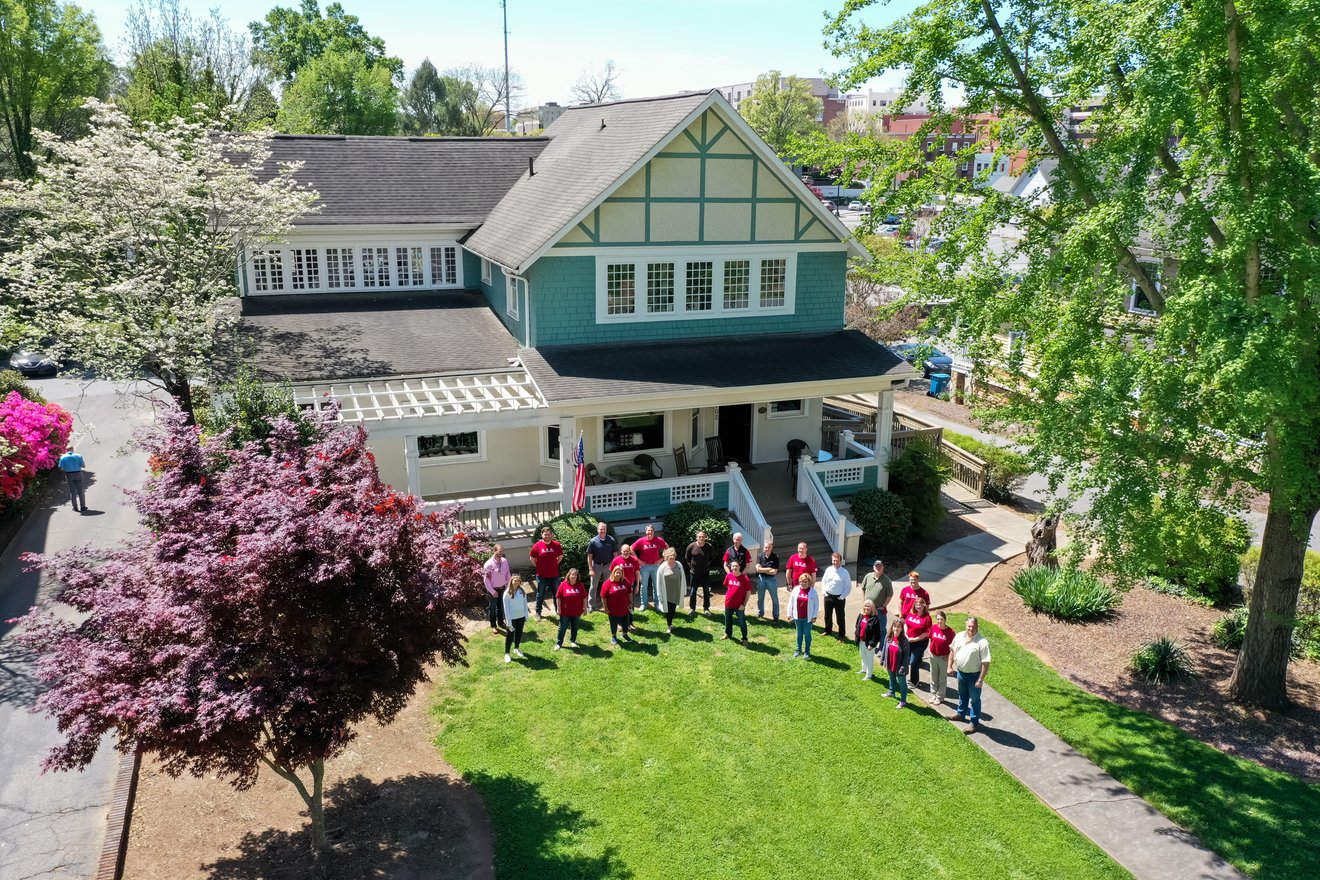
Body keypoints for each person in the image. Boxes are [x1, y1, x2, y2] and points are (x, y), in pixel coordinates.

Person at [951, 616, 992, 733]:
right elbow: (952, 650)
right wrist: (950, 666)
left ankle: (974, 723)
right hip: (961, 673)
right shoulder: (959, 636)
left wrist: (980, 679)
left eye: (973, 627)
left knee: (974, 700)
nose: (971, 629)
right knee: (962, 695)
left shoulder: (982, 642)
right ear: (966, 626)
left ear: (977, 627)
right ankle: (961, 714)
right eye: (969, 626)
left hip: (974, 676)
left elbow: (985, 662)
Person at [529, 527, 563, 621]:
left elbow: (560, 557)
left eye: (549, 534)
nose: (547, 536)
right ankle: (538, 612)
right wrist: (539, 567)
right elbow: (532, 559)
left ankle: (558, 611)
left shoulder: (556, 545)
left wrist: (555, 564)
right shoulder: (537, 546)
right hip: (541, 575)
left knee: (556, 593)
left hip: (554, 575)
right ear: (542, 535)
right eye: (545, 534)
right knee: (540, 594)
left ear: (551, 535)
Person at [632, 524, 669, 612]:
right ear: (646, 532)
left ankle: (657, 604)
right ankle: (643, 604)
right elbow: (631, 549)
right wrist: (638, 561)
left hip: (656, 567)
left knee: (656, 586)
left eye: (651, 531)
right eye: (648, 531)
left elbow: (667, 547)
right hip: (644, 567)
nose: (650, 532)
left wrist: (662, 559)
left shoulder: (658, 540)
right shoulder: (641, 541)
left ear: (653, 532)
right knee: (644, 586)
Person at [586, 521, 618, 613]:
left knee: (607, 586)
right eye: (600, 529)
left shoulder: (611, 540)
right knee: (593, 587)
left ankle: (606, 605)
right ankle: (591, 606)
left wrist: (614, 567)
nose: (602, 531)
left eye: (604, 529)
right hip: (596, 565)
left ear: (606, 530)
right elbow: (589, 556)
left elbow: (615, 554)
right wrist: (590, 569)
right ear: (597, 530)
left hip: (608, 566)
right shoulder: (593, 541)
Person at [819, 552, 852, 639]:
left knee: (840, 617)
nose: (835, 562)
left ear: (840, 561)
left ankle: (841, 635)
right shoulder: (828, 569)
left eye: (837, 561)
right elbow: (824, 581)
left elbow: (848, 586)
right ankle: (827, 631)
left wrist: (842, 597)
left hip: (839, 598)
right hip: (828, 596)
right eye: (833, 560)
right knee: (827, 615)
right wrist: (824, 592)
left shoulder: (845, 572)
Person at [786, 573, 819, 658]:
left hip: (808, 618)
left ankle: (807, 651)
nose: (803, 583)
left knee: (807, 634)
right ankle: (798, 649)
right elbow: (791, 602)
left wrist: (814, 616)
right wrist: (789, 613)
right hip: (798, 617)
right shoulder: (795, 589)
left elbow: (816, 605)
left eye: (805, 582)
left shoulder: (813, 592)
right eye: (801, 581)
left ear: (809, 582)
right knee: (799, 633)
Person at [904, 597, 933, 691]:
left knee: (914, 662)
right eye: (916, 605)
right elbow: (906, 624)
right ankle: (903, 676)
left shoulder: (927, 618)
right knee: (906, 659)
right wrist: (905, 634)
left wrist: (915, 639)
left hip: (920, 643)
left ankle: (914, 681)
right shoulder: (912, 613)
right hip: (909, 641)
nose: (918, 607)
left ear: (924, 605)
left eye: (920, 605)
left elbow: (926, 632)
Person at [685, 529, 718, 613]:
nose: (701, 538)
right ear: (696, 538)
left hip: (705, 574)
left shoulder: (709, 547)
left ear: (705, 538)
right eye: (699, 537)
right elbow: (687, 558)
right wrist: (691, 566)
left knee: (706, 592)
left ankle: (706, 608)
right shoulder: (691, 546)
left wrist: (706, 565)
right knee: (692, 592)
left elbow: (712, 557)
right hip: (694, 574)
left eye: (703, 537)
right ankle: (692, 608)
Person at [554, 568, 588, 650]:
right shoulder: (563, 584)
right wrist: (558, 608)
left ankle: (573, 641)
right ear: (569, 575)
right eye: (572, 574)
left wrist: (585, 608)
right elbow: (558, 597)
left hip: (577, 611)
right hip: (565, 612)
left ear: (577, 576)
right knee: (562, 627)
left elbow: (584, 597)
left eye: (575, 575)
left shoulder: (580, 585)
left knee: (575, 627)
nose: (573, 576)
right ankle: (559, 643)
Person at [927, 610, 955, 705]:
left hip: (943, 658)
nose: (939, 621)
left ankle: (940, 696)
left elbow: (952, 647)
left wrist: (948, 657)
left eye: (941, 619)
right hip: (933, 656)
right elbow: (931, 639)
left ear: (945, 619)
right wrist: (929, 650)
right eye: (938, 619)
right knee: (933, 676)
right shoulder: (934, 627)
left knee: (942, 678)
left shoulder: (950, 632)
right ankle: (933, 694)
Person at [656, 547, 687, 633]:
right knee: (669, 610)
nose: (672, 557)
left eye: (673, 555)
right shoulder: (662, 568)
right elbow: (658, 583)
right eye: (670, 555)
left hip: (676, 591)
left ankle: (670, 623)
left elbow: (683, 578)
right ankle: (669, 626)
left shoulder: (679, 565)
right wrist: (660, 595)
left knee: (673, 609)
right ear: (666, 556)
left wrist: (683, 590)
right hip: (667, 593)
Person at [602, 566, 635, 645]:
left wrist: (630, 602)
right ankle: (613, 636)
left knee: (625, 622)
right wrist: (605, 608)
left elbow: (629, 592)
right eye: (617, 572)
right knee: (613, 623)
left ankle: (625, 634)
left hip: (624, 607)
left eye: (620, 573)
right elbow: (603, 597)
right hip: (613, 609)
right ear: (613, 572)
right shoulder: (608, 583)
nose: (618, 574)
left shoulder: (625, 581)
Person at [721, 561, 753, 642]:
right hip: (728, 604)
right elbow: (727, 586)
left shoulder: (744, 578)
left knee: (742, 622)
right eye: (733, 566)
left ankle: (744, 638)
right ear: (730, 567)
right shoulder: (728, 576)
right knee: (727, 620)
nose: (734, 568)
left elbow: (748, 592)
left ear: (739, 567)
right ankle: (728, 634)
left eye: (736, 566)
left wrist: (743, 604)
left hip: (739, 606)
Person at [609, 543, 641, 624]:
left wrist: (637, 585)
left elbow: (637, 573)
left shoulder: (634, 560)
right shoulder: (616, 560)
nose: (625, 553)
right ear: (621, 551)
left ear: (630, 551)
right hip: (619, 586)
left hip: (631, 585)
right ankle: (620, 623)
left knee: (631, 603)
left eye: (627, 551)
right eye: (624, 551)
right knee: (620, 604)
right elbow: (612, 573)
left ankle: (630, 622)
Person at [882, 618, 911, 708]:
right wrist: (883, 659)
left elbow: (906, 657)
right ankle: (892, 692)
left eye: (898, 627)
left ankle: (903, 701)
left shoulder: (904, 641)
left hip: (900, 666)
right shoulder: (888, 637)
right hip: (890, 663)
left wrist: (902, 668)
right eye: (894, 626)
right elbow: (884, 648)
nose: (896, 629)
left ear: (902, 628)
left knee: (902, 684)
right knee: (891, 678)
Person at [482, 545, 511, 632]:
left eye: (502, 551)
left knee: (501, 607)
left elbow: (508, 574)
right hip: (493, 589)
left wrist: (509, 586)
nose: (501, 553)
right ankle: (493, 626)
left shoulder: (505, 561)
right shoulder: (488, 564)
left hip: (503, 588)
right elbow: (486, 580)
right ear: (494, 551)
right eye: (499, 551)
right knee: (492, 608)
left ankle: (501, 622)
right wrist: (492, 591)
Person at [502, 575, 530, 663]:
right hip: (512, 618)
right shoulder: (507, 593)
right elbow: (506, 609)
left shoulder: (522, 591)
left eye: (518, 580)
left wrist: (526, 615)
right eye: (515, 580)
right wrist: (508, 621)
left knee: (519, 633)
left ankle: (516, 648)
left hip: (521, 617)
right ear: (511, 581)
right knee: (510, 635)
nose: (517, 582)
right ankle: (507, 653)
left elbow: (525, 603)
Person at [855, 599, 883, 680]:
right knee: (863, 656)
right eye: (865, 606)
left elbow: (877, 635)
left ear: (872, 608)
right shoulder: (861, 615)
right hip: (861, 641)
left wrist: (872, 644)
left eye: (869, 606)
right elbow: (857, 625)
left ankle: (869, 675)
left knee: (869, 659)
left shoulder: (875, 619)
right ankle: (864, 669)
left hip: (869, 643)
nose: (866, 608)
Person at [754, 539, 780, 622]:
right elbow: (757, 570)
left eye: (768, 547)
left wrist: (762, 569)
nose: (767, 549)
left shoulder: (775, 557)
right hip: (761, 579)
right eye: (765, 547)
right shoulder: (760, 556)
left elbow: (774, 572)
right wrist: (769, 568)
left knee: (775, 599)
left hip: (771, 580)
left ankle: (776, 616)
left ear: (771, 547)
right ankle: (760, 613)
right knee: (760, 598)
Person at [57, 446, 86, 513]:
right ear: (72, 449)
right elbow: (83, 466)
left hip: (69, 474)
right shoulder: (78, 456)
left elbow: (61, 468)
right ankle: (83, 506)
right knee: (81, 490)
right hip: (78, 473)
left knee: (72, 491)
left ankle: (75, 507)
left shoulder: (63, 457)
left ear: (66, 450)